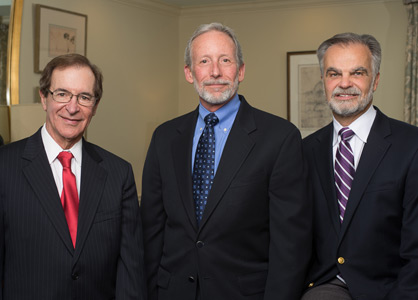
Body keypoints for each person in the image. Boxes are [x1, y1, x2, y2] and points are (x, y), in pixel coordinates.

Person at [140, 22, 311, 300]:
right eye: (204, 61)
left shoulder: (279, 138)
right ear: (189, 72)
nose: (215, 71)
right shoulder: (165, 137)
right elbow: (151, 231)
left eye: (225, 60)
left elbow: (290, 245)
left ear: (240, 70)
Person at [0, 54, 145, 299]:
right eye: (62, 93)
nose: (73, 107)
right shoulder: (5, 166)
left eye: (84, 97)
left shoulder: (118, 173)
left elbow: (130, 271)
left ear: (95, 106)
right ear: (44, 98)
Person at [302, 33, 418, 300]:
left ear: (375, 80)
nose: (345, 84)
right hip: (323, 289)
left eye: (357, 73)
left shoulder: (412, 146)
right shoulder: (304, 151)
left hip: (390, 289)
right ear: (323, 82)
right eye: (334, 74)